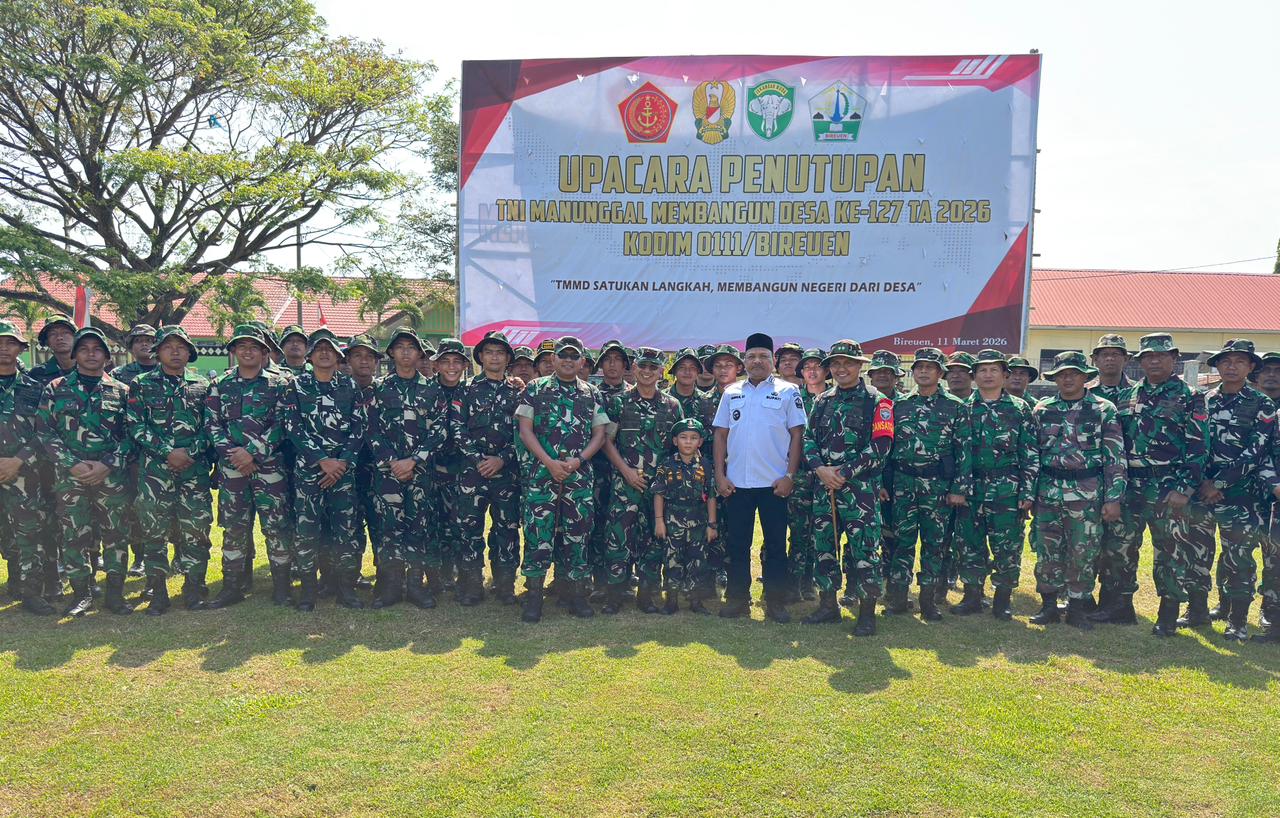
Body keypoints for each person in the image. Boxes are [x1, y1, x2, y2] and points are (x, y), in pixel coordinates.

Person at [1104, 334, 1207, 637]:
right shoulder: (1127, 395)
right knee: (1121, 547)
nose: (1155, 361)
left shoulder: (1190, 395)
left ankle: (1168, 614)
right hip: (1131, 484)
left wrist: (1185, 488)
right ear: (1140, 361)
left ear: (1174, 358)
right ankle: (1121, 607)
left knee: (1170, 552)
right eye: (1148, 356)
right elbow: (1115, 444)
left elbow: (1199, 446)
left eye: (1161, 356)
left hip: (1168, 484)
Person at [36, 327, 134, 616]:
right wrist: (72, 464)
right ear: (75, 354)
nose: (91, 354)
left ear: (107, 355)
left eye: (97, 349)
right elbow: (45, 432)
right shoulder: (55, 388)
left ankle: (115, 594)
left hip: (111, 477)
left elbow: (132, 434)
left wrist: (107, 464)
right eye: (84, 349)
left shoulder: (122, 391)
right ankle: (81, 594)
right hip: (71, 477)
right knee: (74, 535)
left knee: (116, 535)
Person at [712, 332, 806, 622]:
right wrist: (719, 475)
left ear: (772, 360)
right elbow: (720, 435)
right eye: (751, 356)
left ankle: (775, 601)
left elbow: (797, 435)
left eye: (763, 356)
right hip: (737, 483)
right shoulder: (731, 392)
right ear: (744, 361)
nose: (757, 361)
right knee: (737, 544)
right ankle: (738, 599)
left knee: (776, 545)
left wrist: (790, 475)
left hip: (774, 484)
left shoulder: (788, 391)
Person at [801, 340, 893, 636]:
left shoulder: (877, 401)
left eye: (848, 363)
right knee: (824, 546)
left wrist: (844, 472)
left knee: (865, 549)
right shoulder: (822, 400)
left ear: (859, 366)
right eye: (836, 364)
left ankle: (866, 614)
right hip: (825, 487)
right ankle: (828, 606)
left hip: (860, 491)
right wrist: (820, 469)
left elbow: (881, 446)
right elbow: (808, 439)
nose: (841, 369)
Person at [515, 336, 609, 622]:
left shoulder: (592, 393)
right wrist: (549, 463)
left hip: (578, 477)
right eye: (563, 356)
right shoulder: (535, 388)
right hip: (542, 475)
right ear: (553, 359)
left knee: (578, 534)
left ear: (582, 362)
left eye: (573, 356)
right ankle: (534, 597)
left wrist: (578, 461)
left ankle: (576, 595)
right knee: (538, 534)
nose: (568, 361)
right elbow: (525, 430)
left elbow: (600, 434)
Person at [1031, 351, 1126, 629]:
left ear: (1085, 377)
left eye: (1074, 373)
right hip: (1048, 491)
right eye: (1062, 374)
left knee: (1083, 551)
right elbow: (1032, 455)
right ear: (1055, 379)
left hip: (1087, 493)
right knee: (1047, 550)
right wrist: (1030, 494)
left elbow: (1114, 456)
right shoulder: (1042, 409)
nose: (1068, 379)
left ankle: (1077, 607)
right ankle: (1049, 605)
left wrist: (1113, 498)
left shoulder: (1103, 409)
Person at [1186, 340, 1272, 641]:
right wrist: (1202, 483)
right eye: (1225, 361)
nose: (1231, 366)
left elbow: (1256, 452)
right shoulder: (1202, 399)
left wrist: (1219, 484)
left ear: (1250, 367)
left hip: (1240, 497)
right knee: (1196, 555)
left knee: (1239, 560)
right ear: (1217, 366)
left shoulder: (1262, 404)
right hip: (1201, 494)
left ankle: (1237, 621)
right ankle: (1196, 611)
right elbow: (1192, 444)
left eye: (1239, 361)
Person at [205, 324, 293, 609]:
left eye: (254, 347)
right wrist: (235, 456)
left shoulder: (280, 384)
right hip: (232, 470)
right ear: (233, 351)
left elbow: (283, 423)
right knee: (234, 528)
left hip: (269, 468)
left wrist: (253, 453)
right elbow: (212, 424)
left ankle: (282, 587)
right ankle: (232, 587)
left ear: (264, 352)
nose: (247, 351)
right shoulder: (220, 384)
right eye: (241, 346)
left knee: (276, 526)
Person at [125, 326, 212, 614]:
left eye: (181, 347)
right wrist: (167, 452)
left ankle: (194, 588)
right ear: (158, 352)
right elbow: (135, 425)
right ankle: (158, 591)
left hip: (193, 471)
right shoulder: (140, 384)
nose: (175, 352)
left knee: (196, 530)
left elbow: (211, 426)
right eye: (168, 347)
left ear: (189, 352)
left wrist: (190, 452)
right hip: (155, 472)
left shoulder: (203, 385)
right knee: (154, 532)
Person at [882, 348, 971, 621]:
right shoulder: (898, 405)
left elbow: (964, 451)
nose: (923, 371)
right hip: (903, 483)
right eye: (919, 367)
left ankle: (928, 600)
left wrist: (958, 489)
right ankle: (898, 598)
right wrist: (884, 483)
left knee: (935, 544)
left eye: (929, 367)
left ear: (940, 373)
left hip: (937, 486)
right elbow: (886, 449)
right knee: (902, 541)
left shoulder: (956, 406)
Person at [282, 328, 367, 611]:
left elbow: (359, 427)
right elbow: (293, 427)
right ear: (310, 355)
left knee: (345, 531)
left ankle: (346, 589)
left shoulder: (350, 386)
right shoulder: (296, 385)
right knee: (307, 531)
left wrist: (342, 462)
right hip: (310, 471)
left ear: (338, 356)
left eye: (330, 349)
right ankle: (308, 591)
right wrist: (321, 460)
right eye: (319, 349)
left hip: (343, 473)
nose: (324, 353)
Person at [952, 350, 1038, 620]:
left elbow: (1029, 452)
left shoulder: (1019, 409)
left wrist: (1027, 492)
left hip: (1006, 490)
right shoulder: (963, 408)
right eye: (982, 370)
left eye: (994, 370)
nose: (988, 375)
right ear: (974, 376)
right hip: (971, 489)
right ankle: (972, 596)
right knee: (969, 544)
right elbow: (956, 453)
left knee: (1007, 546)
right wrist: (958, 489)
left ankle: (1002, 600)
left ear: (1005, 375)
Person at [367, 328, 449, 608]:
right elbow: (371, 429)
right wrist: (393, 461)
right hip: (387, 474)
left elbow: (439, 430)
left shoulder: (432, 389)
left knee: (419, 527)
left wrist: (414, 460)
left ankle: (415, 586)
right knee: (389, 527)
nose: (405, 351)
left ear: (419, 354)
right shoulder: (378, 388)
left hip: (420, 473)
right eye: (400, 346)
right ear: (391, 352)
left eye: (411, 347)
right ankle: (391, 587)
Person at [600, 347, 683, 614]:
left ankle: (646, 595)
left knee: (653, 541)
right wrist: (625, 471)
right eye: (643, 366)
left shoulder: (672, 405)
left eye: (653, 367)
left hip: (658, 488)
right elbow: (606, 441)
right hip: (625, 484)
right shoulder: (618, 403)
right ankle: (614, 595)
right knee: (618, 539)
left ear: (661, 372)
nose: (647, 372)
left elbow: (680, 445)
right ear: (634, 369)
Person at [450, 331, 523, 605]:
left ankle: (505, 585)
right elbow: (457, 429)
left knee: (507, 530)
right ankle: (471, 585)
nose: (494, 357)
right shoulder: (465, 389)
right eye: (489, 352)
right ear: (480, 356)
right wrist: (478, 459)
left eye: (500, 352)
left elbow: (524, 433)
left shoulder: (518, 392)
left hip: (507, 474)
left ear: (508, 358)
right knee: (469, 530)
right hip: (472, 473)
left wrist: (502, 459)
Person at [0, 320, 54, 614]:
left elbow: (45, 431)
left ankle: (31, 591)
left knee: (29, 532)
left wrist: (18, 459)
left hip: (24, 473)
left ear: (21, 349)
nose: (4, 348)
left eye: (10, 343)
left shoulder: (35, 389)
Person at [652, 418, 718, 614]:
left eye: (693, 438)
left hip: (698, 521)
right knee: (672, 559)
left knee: (698, 561)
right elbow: (659, 494)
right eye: (683, 437)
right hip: (673, 521)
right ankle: (671, 601)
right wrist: (659, 521)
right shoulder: (667, 464)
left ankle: (696, 601)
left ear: (700, 442)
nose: (688, 442)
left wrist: (712, 524)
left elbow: (711, 495)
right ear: (675, 441)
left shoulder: (706, 465)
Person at [114, 323, 159, 579]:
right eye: (139, 340)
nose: (145, 344)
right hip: (131, 455)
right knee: (134, 508)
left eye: (150, 340)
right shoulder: (118, 375)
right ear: (131, 347)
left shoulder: (170, 371)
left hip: (163, 456)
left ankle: (176, 554)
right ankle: (140, 557)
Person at [427, 338, 470, 601]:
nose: (451, 367)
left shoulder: (471, 391)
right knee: (433, 522)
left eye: (457, 361)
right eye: (445, 361)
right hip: (429, 467)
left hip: (463, 468)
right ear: (436, 365)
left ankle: (460, 572)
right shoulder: (426, 390)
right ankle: (437, 574)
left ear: (465, 365)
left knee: (459, 522)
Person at [864, 349, 904, 608]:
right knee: (866, 535)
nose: (882, 376)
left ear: (896, 377)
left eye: (888, 372)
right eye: (878, 372)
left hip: (900, 478)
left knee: (897, 535)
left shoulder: (907, 403)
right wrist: (876, 481)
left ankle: (893, 585)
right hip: (869, 477)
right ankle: (858, 584)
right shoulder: (864, 401)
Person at [344, 334, 383, 594]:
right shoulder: (338, 389)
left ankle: (386, 576)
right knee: (350, 525)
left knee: (382, 525)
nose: (364, 361)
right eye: (358, 355)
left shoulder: (386, 390)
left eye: (369, 356)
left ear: (377, 361)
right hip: (347, 471)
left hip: (380, 471)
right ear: (348, 360)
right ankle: (350, 575)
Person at [1087, 334, 1134, 403]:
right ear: (1095, 359)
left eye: (1115, 354)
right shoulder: (1084, 391)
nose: (1110, 358)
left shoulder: (1137, 390)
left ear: (1125, 359)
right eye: (1104, 354)